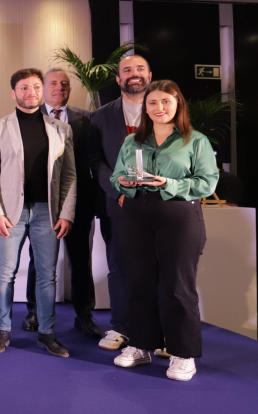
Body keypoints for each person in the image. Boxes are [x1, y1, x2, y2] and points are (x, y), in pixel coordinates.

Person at [110, 80, 218, 381]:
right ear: (145, 108)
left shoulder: (195, 140)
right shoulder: (133, 141)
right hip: (136, 213)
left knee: (177, 286)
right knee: (139, 282)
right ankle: (142, 345)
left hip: (179, 214)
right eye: (153, 103)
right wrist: (124, 183)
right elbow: (117, 175)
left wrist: (168, 183)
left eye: (166, 102)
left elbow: (208, 182)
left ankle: (183, 354)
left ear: (178, 105)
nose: (159, 108)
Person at [0, 68, 77, 357]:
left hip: (48, 213)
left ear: (42, 91)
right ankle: (3, 330)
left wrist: (67, 212)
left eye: (36, 87)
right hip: (11, 213)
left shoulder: (61, 129)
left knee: (47, 276)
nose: (31, 92)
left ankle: (47, 333)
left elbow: (70, 175)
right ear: (14, 93)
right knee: (5, 274)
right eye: (24, 87)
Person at [23, 68, 102, 339]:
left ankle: (85, 315)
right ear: (43, 88)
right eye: (53, 83)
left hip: (79, 202)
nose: (60, 88)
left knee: (81, 260)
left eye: (65, 84)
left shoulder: (87, 119)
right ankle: (34, 311)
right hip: (42, 202)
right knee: (39, 260)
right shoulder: (30, 117)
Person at [88, 54, 152, 350]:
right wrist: (117, 189)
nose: (134, 74)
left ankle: (159, 331)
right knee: (119, 266)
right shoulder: (101, 116)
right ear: (118, 79)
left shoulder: (166, 109)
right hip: (118, 204)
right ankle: (121, 328)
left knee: (159, 267)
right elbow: (96, 161)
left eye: (140, 69)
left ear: (149, 75)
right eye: (127, 70)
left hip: (160, 204)